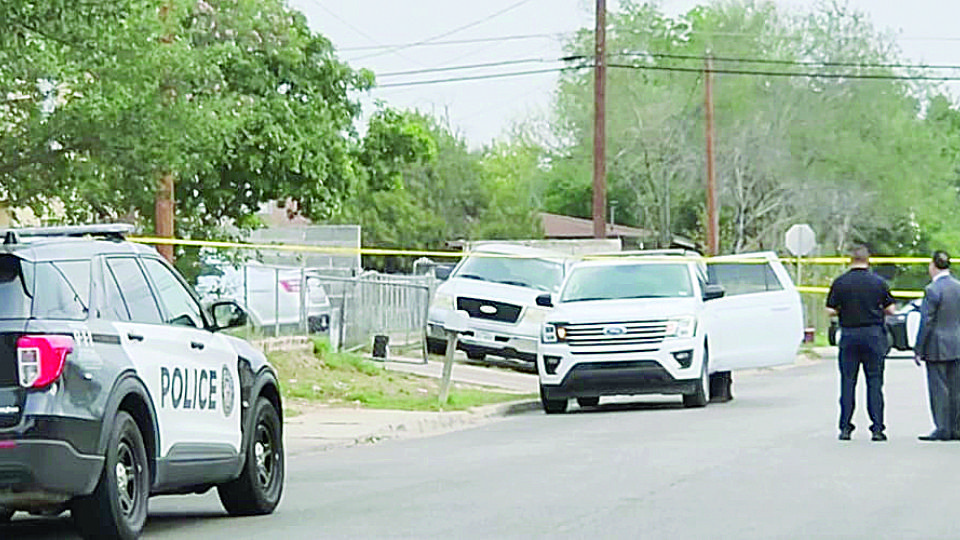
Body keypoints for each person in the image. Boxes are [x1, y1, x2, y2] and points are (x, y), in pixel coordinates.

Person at [826, 245, 896, 442]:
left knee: (848, 382)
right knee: (874, 382)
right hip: (873, 335)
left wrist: (844, 310)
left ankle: (845, 428)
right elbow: (891, 309)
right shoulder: (878, 282)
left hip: (849, 334)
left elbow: (830, 309)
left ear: (850, 260)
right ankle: (877, 429)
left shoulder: (840, 282)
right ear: (868, 260)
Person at [913, 250, 960, 441]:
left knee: (939, 388)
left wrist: (919, 348)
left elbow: (927, 321)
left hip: (937, 345)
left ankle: (942, 427)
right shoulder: (958, 287)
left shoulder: (932, 290)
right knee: (957, 388)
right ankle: (956, 427)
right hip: (957, 344)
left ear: (933, 266)